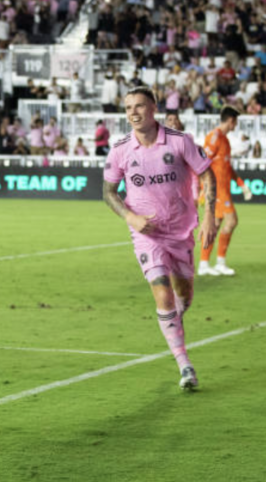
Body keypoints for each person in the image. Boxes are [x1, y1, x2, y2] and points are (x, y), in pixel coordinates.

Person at [103, 87, 217, 391]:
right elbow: (108, 192)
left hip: (181, 231)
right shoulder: (120, 150)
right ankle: (184, 365)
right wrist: (131, 218)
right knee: (163, 296)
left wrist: (209, 215)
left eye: (140, 106)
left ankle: (172, 323)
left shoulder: (181, 141)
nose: (133, 112)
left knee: (184, 296)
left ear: (154, 108)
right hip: (147, 235)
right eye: (128, 108)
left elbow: (207, 174)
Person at [198, 106, 253, 276]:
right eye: (235, 122)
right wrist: (203, 188)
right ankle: (218, 262)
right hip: (216, 191)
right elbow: (201, 164)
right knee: (232, 221)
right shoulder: (214, 137)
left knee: (214, 226)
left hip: (223, 190)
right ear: (231, 120)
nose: (236, 125)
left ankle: (205, 264)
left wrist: (242, 185)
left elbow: (227, 168)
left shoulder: (225, 141)